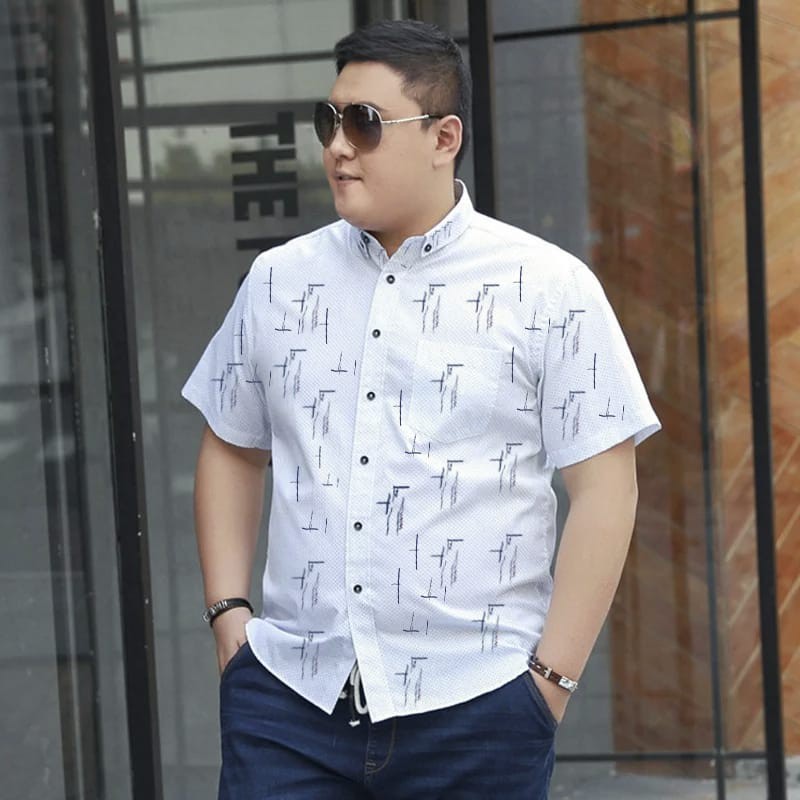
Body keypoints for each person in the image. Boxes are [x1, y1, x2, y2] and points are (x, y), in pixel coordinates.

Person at [182, 18, 661, 800]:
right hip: (291, 703)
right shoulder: (278, 281)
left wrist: (549, 684)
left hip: (478, 710)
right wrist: (229, 619)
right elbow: (232, 444)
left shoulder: (547, 288)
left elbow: (606, 485)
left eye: (365, 123)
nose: (339, 146)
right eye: (329, 121)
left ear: (444, 138)